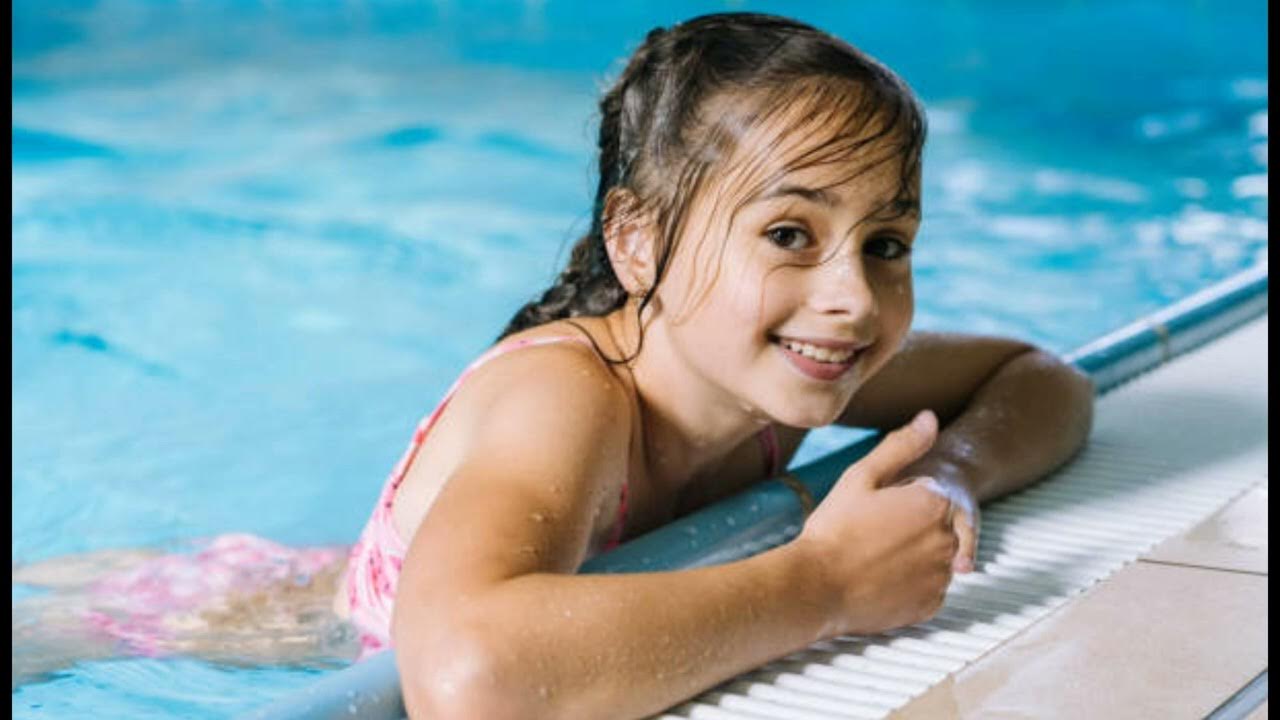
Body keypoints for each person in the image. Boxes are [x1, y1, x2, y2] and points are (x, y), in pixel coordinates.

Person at [12, 12, 1094, 717]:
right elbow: (466, 678)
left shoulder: (792, 365)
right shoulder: (566, 394)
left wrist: (947, 475)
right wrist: (818, 586)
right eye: (787, 235)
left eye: (885, 245)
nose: (851, 296)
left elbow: (1041, 380)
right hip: (196, 617)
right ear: (636, 242)